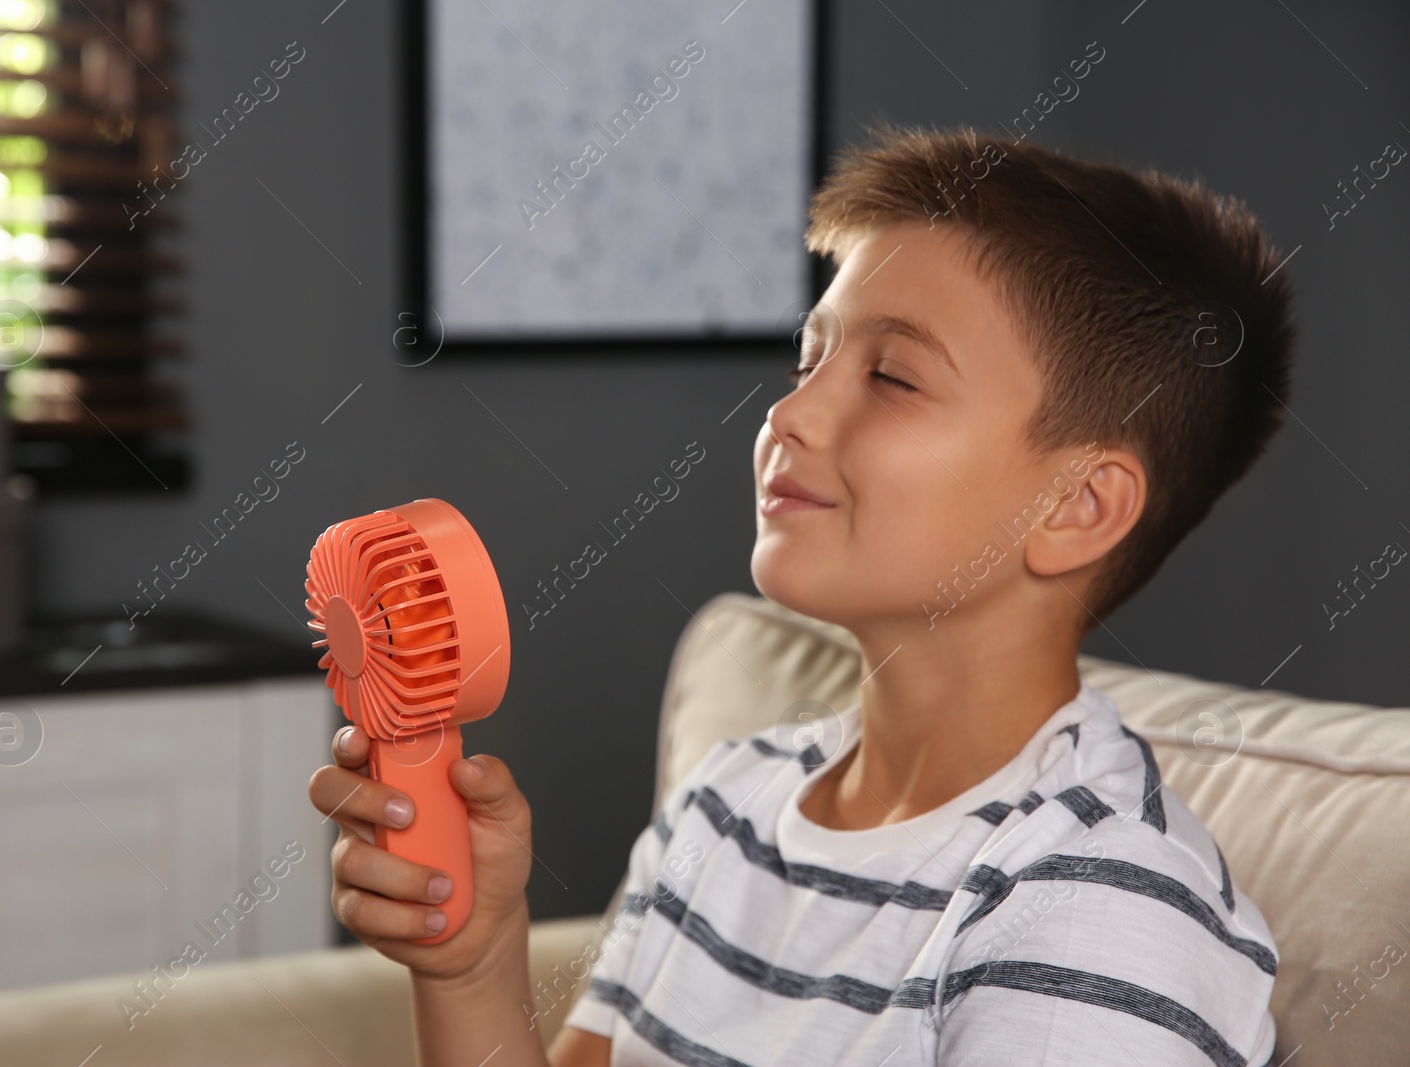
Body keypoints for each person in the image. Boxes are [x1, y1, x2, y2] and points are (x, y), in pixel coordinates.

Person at [307, 121, 1292, 1066]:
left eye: (892, 377)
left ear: (1076, 505)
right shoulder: (727, 803)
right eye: (807, 357)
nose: (788, 411)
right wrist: (474, 965)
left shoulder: (1094, 906)